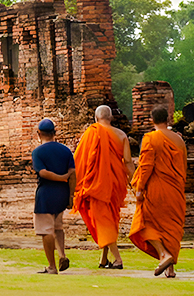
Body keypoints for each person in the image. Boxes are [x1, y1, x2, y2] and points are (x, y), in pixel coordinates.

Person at [130, 105, 189, 279]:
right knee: (171, 228)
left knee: (143, 224)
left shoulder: (151, 138)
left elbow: (146, 166)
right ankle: (170, 269)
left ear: (151, 120)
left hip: (156, 189)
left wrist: (139, 188)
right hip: (176, 190)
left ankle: (164, 254)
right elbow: (184, 167)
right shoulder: (179, 140)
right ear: (168, 119)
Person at [72, 104, 131, 269]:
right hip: (115, 183)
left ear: (96, 118)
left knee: (104, 221)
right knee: (109, 219)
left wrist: (72, 182)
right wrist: (134, 181)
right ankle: (104, 258)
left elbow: (79, 159)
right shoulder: (121, 135)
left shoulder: (92, 132)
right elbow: (127, 162)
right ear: (110, 118)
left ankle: (118, 259)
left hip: (98, 185)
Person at [30, 118, 76, 274]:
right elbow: (73, 175)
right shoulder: (65, 151)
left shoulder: (38, 152)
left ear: (39, 134)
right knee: (58, 226)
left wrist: (60, 177)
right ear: (54, 133)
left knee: (46, 230)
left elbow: (43, 173)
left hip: (46, 194)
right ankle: (62, 255)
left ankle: (52, 266)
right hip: (62, 193)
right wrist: (71, 196)